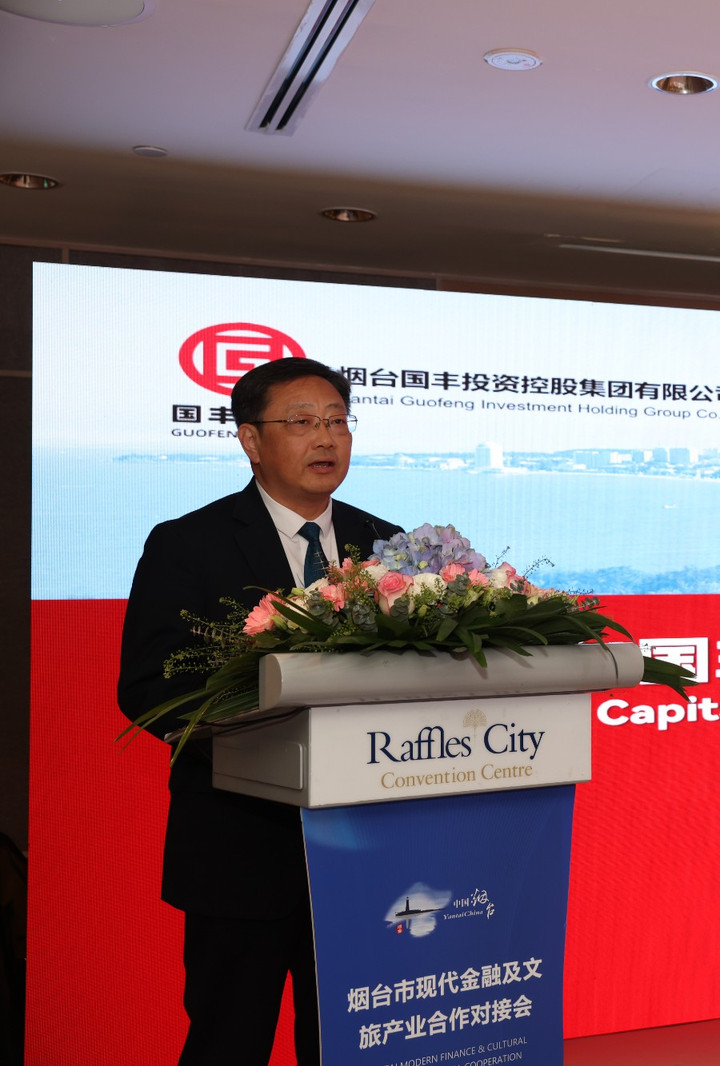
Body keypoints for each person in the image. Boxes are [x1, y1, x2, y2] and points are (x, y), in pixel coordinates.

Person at [118, 358, 402, 1066]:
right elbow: (151, 685)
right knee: (229, 1041)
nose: (326, 438)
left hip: (367, 850)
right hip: (241, 847)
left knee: (349, 1044)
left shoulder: (390, 545)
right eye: (302, 422)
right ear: (250, 439)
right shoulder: (189, 543)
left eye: (337, 421)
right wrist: (263, 744)